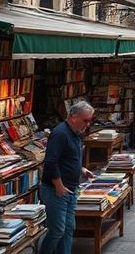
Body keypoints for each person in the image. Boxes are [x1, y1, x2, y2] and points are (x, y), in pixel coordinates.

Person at [39, 101, 96, 254]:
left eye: (90, 120)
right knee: (57, 230)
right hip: (57, 190)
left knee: (68, 229)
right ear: (73, 117)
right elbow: (51, 162)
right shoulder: (60, 133)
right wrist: (59, 186)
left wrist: (81, 169)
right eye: (85, 120)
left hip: (70, 189)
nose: (88, 124)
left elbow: (68, 158)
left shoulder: (75, 133)